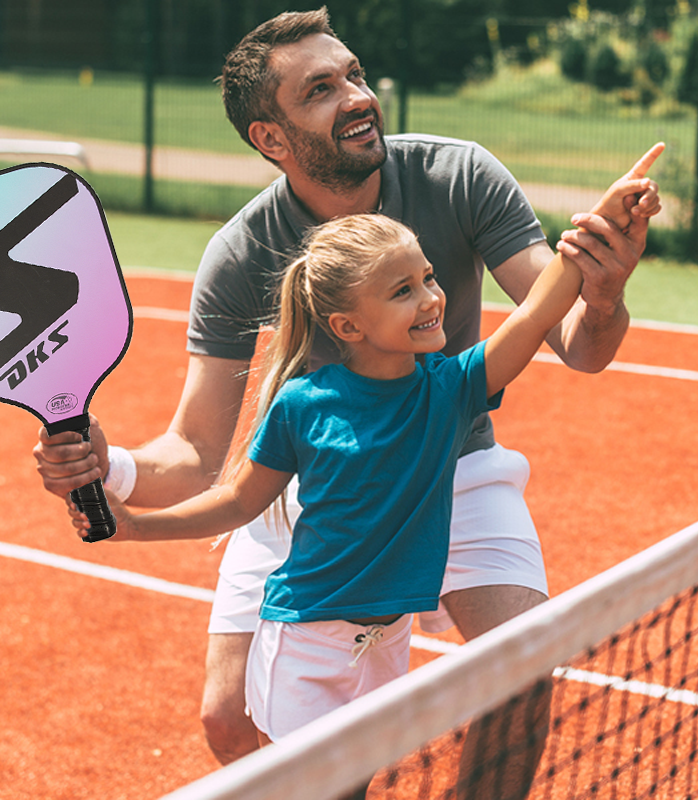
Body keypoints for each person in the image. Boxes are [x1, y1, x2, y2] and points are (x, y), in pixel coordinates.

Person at [33, 6, 662, 792]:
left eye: (354, 74)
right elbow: (197, 453)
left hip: (453, 462)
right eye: (321, 89)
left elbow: (574, 340)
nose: (358, 96)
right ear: (271, 138)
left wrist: (602, 294)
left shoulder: (460, 176)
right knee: (231, 723)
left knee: (522, 670)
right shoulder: (240, 253)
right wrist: (110, 468)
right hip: (313, 483)